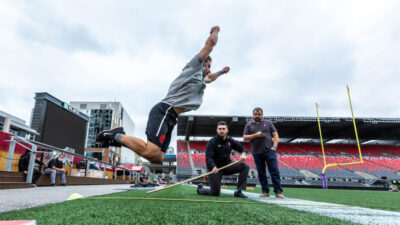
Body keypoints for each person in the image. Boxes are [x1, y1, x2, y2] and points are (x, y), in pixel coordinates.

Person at [96, 26, 230, 164]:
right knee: (151, 151)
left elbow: (210, 78)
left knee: (157, 158)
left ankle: (115, 139)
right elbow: (210, 44)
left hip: (172, 118)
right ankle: (116, 136)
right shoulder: (193, 68)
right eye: (207, 66)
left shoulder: (201, 80)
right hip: (165, 110)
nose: (209, 70)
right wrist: (216, 30)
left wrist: (221, 72)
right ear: (202, 64)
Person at [197, 121, 249, 198]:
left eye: (223, 129)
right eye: (220, 129)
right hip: (215, 169)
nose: (222, 130)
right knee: (215, 193)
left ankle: (238, 191)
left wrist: (243, 154)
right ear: (217, 130)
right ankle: (201, 189)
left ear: (227, 130)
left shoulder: (230, 140)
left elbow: (243, 148)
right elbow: (208, 158)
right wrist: (213, 166)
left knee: (245, 166)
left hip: (227, 166)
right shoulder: (212, 142)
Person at [243, 107, 285, 198]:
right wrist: (256, 135)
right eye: (255, 114)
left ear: (262, 115)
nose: (257, 116)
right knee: (261, 172)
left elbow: (275, 134)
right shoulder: (249, 125)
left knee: (274, 171)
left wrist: (274, 146)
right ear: (252, 114)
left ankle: (278, 192)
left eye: (259, 114)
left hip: (269, 151)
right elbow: (245, 137)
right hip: (256, 153)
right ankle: (265, 191)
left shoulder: (268, 123)